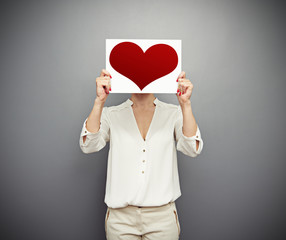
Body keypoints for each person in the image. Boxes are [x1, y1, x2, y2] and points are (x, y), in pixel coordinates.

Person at [79, 69, 203, 240]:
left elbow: (192, 148)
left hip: (162, 218)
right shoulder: (111, 114)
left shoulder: (174, 113)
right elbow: (89, 145)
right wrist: (99, 102)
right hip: (120, 219)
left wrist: (185, 104)